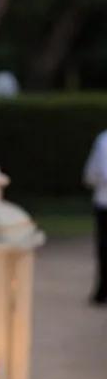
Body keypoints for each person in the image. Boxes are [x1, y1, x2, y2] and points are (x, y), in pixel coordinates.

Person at [81, 130, 107, 305]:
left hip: (104, 201)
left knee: (104, 247)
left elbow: (94, 173)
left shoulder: (104, 140)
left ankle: (102, 291)